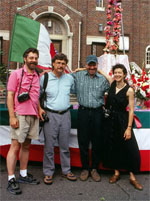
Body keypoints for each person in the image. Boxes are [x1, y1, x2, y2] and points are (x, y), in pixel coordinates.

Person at [100, 64, 143, 190]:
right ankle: (116, 173)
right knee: (113, 145)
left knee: (129, 147)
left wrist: (129, 127)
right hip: (110, 120)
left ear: (124, 74)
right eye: (115, 72)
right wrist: (82, 69)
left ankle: (132, 177)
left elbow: (130, 110)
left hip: (123, 120)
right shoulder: (113, 83)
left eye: (120, 72)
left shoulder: (129, 90)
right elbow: (102, 72)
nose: (117, 74)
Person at [39, 53, 77, 185]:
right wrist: (39, 109)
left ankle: (66, 170)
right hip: (50, 115)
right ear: (53, 64)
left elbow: (76, 90)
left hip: (66, 114)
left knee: (64, 145)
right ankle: (48, 172)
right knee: (49, 146)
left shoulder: (70, 79)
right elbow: (37, 96)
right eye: (58, 63)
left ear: (66, 65)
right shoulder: (45, 78)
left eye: (63, 63)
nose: (60, 65)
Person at [6, 48, 40, 195]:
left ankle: (23, 175)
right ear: (25, 59)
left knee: (26, 146)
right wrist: (12, 116)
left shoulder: (37, 75)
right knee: (15, 146)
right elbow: (10, 96)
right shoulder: (16, 74)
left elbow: (35, 96)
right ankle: (11, 179)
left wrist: (39, 109)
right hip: (20, 114)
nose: (34, 60)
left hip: (33, 115)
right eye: (31, 57)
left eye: (36, 58)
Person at [72, 55, 110, 182]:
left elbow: (113, 83)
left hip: (98, 113)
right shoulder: (78, 76)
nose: (92, 67)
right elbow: (66, 76)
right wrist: (77, 70)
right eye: (90, 65)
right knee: (83, 141)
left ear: (97, 65)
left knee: (97, 141)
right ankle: (85, 168)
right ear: (86, 65)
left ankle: (94, 168)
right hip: (83, 112)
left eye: (94, 65)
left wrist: (101, 72)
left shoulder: (102, 79)